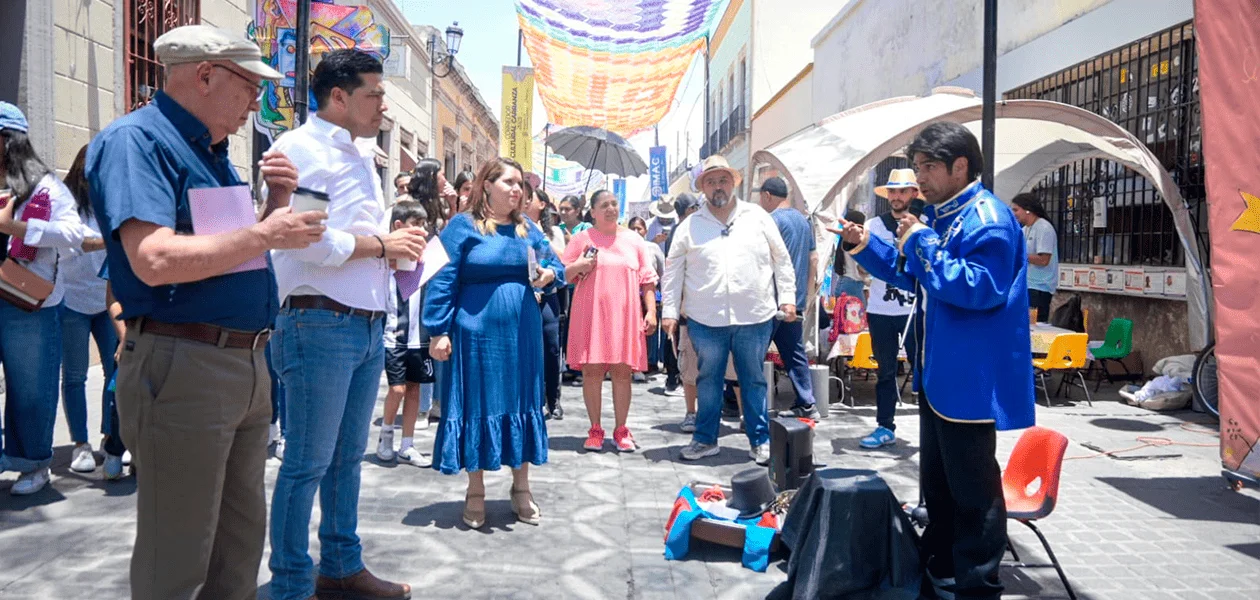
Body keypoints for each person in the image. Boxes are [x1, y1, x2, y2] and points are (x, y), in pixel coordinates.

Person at [87, 24, 326, 599]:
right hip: (184, 362)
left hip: (240, 364)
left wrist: (274, 208)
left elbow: (224, 254)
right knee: (179, 559)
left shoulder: (213, 154)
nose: (256, 102)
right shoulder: (137, 142)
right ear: (204, 75)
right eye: (249, 86)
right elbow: (154, 258)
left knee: (238, 549)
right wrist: (267, 232)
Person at [837, 122, 1034, 599]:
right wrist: (865, 243)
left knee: (974, 494)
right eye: (918, 166)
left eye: (928, 167)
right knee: (940, 487)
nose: (918, 178)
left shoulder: (987, 218)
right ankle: (943, 566)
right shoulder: (947, 214)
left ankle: (978, 585)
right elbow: (916, 277)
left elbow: (978, 288)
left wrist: (921, 241)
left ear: (959, 166)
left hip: (971, 374)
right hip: (941, 374)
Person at [266, 49, 425, 600]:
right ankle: (289, 584)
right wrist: (382, 244)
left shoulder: (355, 152)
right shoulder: (305, 149)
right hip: (318, 323)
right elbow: (305, 240)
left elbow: (342, 236)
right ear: (339, 96)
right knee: (307, 463)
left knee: (344, 461)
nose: (384, 103)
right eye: (374, 93)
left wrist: (393, 252)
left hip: (358, 325)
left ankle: (339, 566)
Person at [423, 157, 564, 529]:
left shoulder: (528, 229)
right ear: (486, 185)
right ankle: (476, 491)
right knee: (477, 404)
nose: (517, 190)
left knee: (521, 402)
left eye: (520, 184)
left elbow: (556, 266)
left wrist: (550, 273)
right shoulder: (460, 227)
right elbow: (440, 277)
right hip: (475, 335)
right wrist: (437, 329)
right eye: (509, 182)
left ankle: (521, 489)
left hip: (522, 334)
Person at [661, 155, 797, 465]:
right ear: (703, 188)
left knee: (753, 379)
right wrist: (669, 310)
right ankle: (705, 439)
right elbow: (673, 272)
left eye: (723, 179)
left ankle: (760, 440)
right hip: (706, 319)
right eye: (711, 181)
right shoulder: (689, 226)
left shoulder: (758, 217)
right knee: (708, 379)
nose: (717, 186)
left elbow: (782, 260)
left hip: (755, 315)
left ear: (734, 182)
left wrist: (787, 297)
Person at [0, 102, 86, 495]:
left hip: (25, 302)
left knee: (29, 385)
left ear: (8, 142)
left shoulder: (45, 187)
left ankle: (33, 463)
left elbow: (73, 235)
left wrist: (16, 226)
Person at [563, 190, 657, 452]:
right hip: (590, 314)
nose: (610, 209)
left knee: (622, 372)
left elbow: (647, 279)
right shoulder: (582, 238)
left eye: (614, 204)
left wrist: (651, 311)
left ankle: (621, 429)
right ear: (592, 212)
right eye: (604, 205)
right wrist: (580, 265)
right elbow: (564, 273)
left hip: (624, 315)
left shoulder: (634, 240)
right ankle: (595, 429)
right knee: (592, 372)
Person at [57, 144, 113, 474]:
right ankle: (81, 444)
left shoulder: (112, 202)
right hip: (71, 302)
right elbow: (75, 240)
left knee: (115, 374)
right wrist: (114, 239)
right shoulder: (64, 202)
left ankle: (109, 437)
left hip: (107, 300)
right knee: (75, 376)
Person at [859, 169, 922, 449]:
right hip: (881, 310)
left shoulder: (923, 223)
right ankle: (885, 426)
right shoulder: (874, 224)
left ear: (913, 194)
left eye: (902, 191)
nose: (896, 197)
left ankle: (933, 429)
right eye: (892, 192)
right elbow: (863, 265)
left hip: (915, 310)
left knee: (923, 368)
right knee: (885, 372)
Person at [756, 176, 821, 420]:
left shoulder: (770, 221)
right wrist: (805, 292)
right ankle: (807, 404)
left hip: (771, 301)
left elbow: (762, 260)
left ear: (767, 196)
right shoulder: (804, 222)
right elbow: (813, 259)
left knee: (753, 354)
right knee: (794, 353)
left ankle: (752, 410)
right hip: (797, 300)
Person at [377, 201, 436, 468]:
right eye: (416, 225)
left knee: (414, 389)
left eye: (424, 226)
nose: (421, 231)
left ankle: (407, 444)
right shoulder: (386, 257)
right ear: (399, 226)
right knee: (397, 388)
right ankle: (386, 435)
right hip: (394, 335)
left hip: (419, 336)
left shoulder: (428, 259)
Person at [523, 182, 566, 419]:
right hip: (522, 299)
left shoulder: (544, 234)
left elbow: (560, 268)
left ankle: (553, 399)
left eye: (528, 196)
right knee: (529, 351)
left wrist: (547, 274)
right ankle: (534, 400)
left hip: (547, 297)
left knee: (551, 348)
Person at [661, 193, 700, 403]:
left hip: (688, 298)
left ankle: (674, 378)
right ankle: (672, 379)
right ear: (686, 210)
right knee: (677, 342)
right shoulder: (681, 231)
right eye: (693, 207)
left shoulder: (688, 229)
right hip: (683, 299)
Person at [556, 193, 591, 386]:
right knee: (563, 326)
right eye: (561, 209)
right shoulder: (555, 229)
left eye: (567, 209)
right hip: (560, 284)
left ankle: (579, 367)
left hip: (579, 285)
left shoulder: (586, 229)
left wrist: (572, 242)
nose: (563, 213)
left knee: (577, 326)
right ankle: (566, 365)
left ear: (577, 211)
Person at [628, 215, 665, 381]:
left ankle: (648, 362)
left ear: (645, 230)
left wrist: (663, 295)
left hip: (651, 295)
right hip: (630, 296)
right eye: (633, 228)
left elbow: (662, 273)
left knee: (648, 329)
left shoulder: (653, 247)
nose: (636, 231)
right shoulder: (623, 247)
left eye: (639, 228)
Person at [1011, 193, 1058, 322]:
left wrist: (1020, 256)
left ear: (1027, 209)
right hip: (1026, 285)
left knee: (1036, 329)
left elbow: (1044, 260)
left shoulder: (1044, 228)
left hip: (1039, 288)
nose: (1014, 214)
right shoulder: (1024, 229)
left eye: (1016, 210)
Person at [831, 209, 868, 307]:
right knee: (858, 320)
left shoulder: (844, 241)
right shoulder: (855, 242)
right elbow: (861, 268)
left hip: (843, 283)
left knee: (842, 320)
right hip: (853, 285)